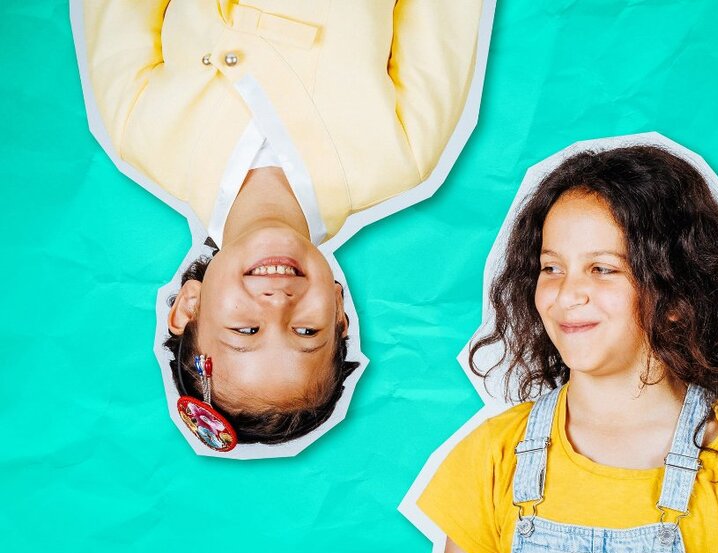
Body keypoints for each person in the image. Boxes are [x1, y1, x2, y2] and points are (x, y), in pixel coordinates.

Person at [74, 0, 485, 447]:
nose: (277, 302)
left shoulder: (139, 132)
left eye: (245, 330)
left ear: (188, 306)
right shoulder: (405, 154)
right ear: (339, 312)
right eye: (307, 331)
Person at [417, 146, 718, 553]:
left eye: (602, 269)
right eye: (551, 267)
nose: (568, 293)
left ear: (676, 294)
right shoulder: (492, 457)